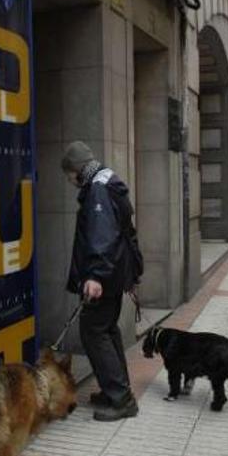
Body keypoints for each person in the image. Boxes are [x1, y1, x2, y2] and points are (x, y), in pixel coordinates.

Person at [61, 141, 143, 422]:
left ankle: (120, 398)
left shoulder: (96, 190)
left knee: (93, 332)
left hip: (105, 275)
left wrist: (95, 275)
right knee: (106, 329)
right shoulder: (107, 180)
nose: (69, 181)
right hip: (116, 272)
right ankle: (116, 390)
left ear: (76, 169)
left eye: (69, 175)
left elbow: (102, 235)